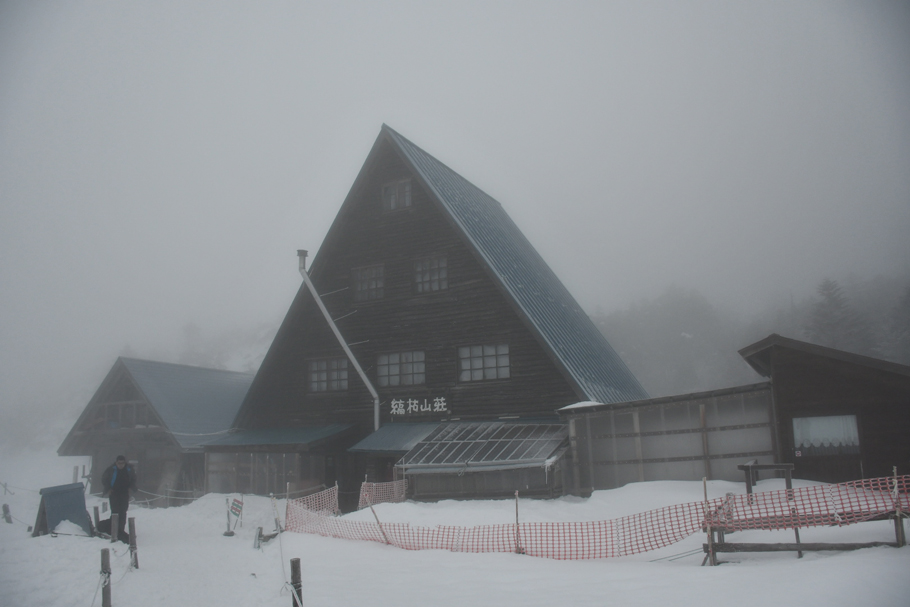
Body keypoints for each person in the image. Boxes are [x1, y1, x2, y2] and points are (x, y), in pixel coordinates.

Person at [101, 455, 136, 542]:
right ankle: (114, 531)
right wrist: (108, 489)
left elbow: (133, 479)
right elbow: (104, 479)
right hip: (114, 493)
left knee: (123, 512)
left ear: (125, 463)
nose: (121, 465)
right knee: (115, 512)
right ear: (116, 463)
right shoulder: (111, 469)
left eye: (122, 463)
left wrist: (131, 488)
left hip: (124, 493)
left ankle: (121, 531)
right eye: (119, 463)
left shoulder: (129, 469)